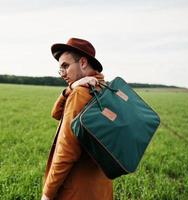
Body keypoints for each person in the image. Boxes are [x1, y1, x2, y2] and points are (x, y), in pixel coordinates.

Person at [41, 38, 113, 200]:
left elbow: (66, 151)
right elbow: (56, 113)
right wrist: (70, 88)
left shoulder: (81, 94)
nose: (63, 74)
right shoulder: (103, 88)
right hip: (101, 188)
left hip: (76, 191)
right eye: (60, 69)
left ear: (82, 62)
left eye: (65, 66)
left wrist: (47, 193)